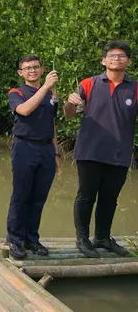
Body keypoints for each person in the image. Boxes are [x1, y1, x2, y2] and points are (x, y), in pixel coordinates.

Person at [64, 40, 136, 258]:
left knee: (109, 198)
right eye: (112, 55)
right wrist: (69, 101)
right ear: (104, 60)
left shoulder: (135, 87)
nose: (116, 59)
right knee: (86, 196)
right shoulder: (89, 84)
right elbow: (69, 113)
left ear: (129, 62)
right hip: (90, 151)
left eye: (121, 56)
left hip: (120, 152)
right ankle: (83, 239)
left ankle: (103, 238)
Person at [6, 55, 60, 259]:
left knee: (39, 197)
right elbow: (24, 110)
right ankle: (15, 240)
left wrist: (55, 151)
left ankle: (31, 239)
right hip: (24, 147)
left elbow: (51, 123)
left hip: (46, 148)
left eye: (35, 67)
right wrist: (45, 88)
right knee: (21, 196)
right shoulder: (16, 92)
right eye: (27, 68)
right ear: (21, 72)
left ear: (42, 69)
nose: (32, 71)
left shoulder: (51, 94)